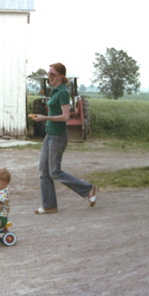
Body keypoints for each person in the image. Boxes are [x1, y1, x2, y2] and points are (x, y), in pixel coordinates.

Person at [30, 63, 98, 214]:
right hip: (50, 135)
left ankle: (88, 188)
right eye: (48, 74)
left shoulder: (62, 93)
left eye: (53, 74)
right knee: (43, 171)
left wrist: (45, 117)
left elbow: (66, 116)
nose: (50, 77)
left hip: (58, 136)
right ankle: (49, 206)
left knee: (54, 171)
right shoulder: (54, 91)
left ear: (61, 76)